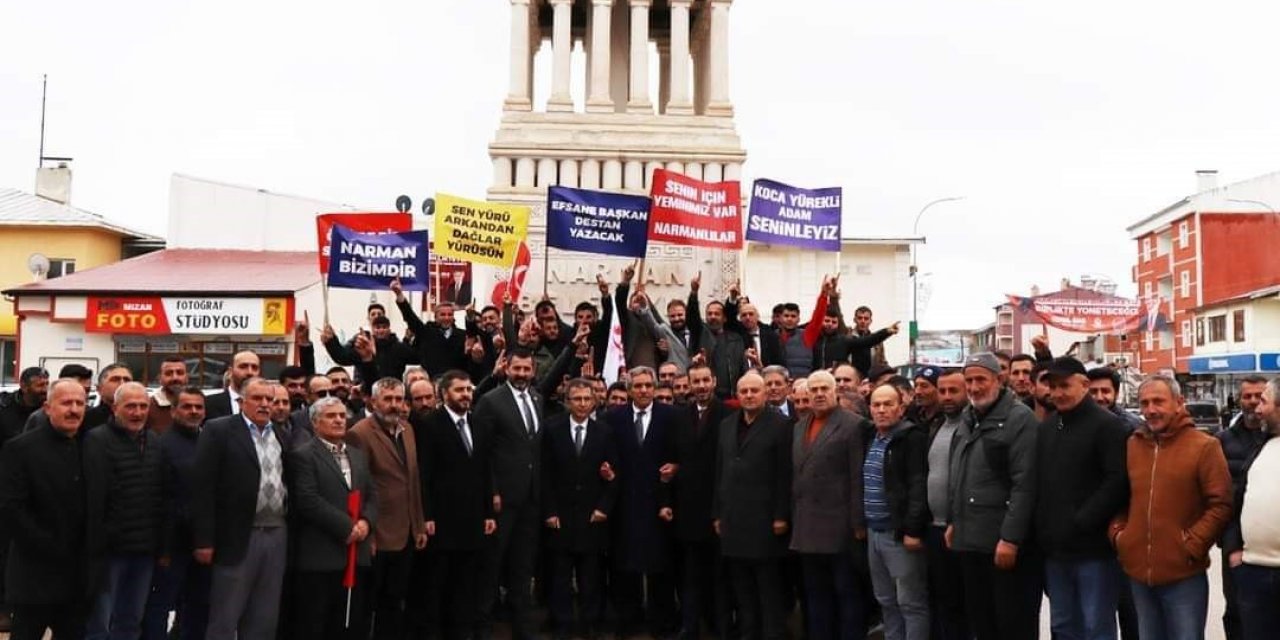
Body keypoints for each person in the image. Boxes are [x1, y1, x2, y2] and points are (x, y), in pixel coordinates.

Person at [1110, 375, 1231, 640]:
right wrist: (1120, 534)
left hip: (1183, 575)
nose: (1150, 410)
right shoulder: (1133, 445)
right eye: (1144, 403)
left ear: (1179, 403)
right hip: (1139, 574)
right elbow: (1120, 496)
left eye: (1158, 401)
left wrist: (1191, 544)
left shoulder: (1204, 446)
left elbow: (1220, 504)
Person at [946, 353, 1040, 640]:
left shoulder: (1019, 418)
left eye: (981, 380)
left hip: (1001, 542)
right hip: (969, 540)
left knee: (1012, 623)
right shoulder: (968, 417)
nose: (974, 387)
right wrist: (953, 522)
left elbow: (1025, 484)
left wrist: (1010, 538)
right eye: (969, 380)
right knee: (982, 622)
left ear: (999, 380)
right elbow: (959, 475)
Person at [1035, 358, 1130, 640]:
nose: (1058, 393)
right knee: (1062, 625)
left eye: (1065, 385)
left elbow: (1117, 481)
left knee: (1095, 626)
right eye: (1053, 387)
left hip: (1094, 551)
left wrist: (1082, 521)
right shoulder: (1048, 427)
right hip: (1056, 551)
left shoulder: (1108, 426)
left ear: (1084, 385)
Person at [193, 377, 290, 640]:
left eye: (269, 399)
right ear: (242, 401)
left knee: (264, 615)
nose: (264, 404)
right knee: (225, 616)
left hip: (276, 533)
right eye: (257, 399)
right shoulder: (219, 430)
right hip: (236, 535)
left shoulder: (281, 433)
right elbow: (202, 488)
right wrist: (203, 539)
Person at [0, 379, 91, 640]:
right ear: (48, 407)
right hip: (34, 574)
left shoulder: (90, 446)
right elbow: (11, 508)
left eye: (79, 403)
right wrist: (51, 546)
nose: (74, 409)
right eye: (66, 403)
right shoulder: (20, 449)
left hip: (77, 576)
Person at [287, 396, 377, 640]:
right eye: (331, 416)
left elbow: (371, 494)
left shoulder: (357, 455)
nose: (339, 420)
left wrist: (366, 523)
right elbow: (308, 500)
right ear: (315, 423)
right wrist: (348, 527)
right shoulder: (303, 455)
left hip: (355, 555)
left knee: (349, 623)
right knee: (315, 624)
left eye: (341, 415)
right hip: (321, 556)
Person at [471, 348, 546, 640]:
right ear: (507, 368)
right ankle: (483, 625)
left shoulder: (538, 399)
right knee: (491, 565)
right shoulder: (490, 402)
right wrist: (493, 492)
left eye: (527, 369)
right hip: (501, 499)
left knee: (523, 565)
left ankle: (522, 626)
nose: (523, 374)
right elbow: (482, 454)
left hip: (530, 498)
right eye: (517, 369)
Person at [345, 378, 427, 640]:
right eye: (388, 399)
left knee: (394, 603)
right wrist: (367, 533)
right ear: (373, 401)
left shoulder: (408, 429)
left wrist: (419, 524)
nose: (394, 405)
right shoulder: (359, 433)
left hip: (405, 533)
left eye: (398, 399)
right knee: (368, 605)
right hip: (376, 536)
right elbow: (358, 487)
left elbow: (412, 481)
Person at [416, 370, 496, 640]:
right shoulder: (430, 425)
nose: (465, 395)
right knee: (438, 585)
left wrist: (488, 512)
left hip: (473, 521)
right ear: (444, 394)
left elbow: (485, 471)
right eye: (459, 390)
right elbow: (424, 475)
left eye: (468, 390)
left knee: (466, 585)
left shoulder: (479, 424)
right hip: (441, 521)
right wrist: (427, 515)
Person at [84, 382, 167, 640]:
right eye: (131, 406)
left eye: (143, 406)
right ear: (115, 408)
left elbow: (161, 497)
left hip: (144, 551)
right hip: (109, 552)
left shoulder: (153, 441)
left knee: (131, 621)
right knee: (100, 624)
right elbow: (93, 499)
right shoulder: (96, 440)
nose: (138, 412)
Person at [790, 370, 869, 640]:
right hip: (807, 529)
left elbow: (858, 476)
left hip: (841, 529)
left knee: (847, 595)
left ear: (835, 391)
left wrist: (859, 524)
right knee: (815, 597)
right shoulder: (799, 427)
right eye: (814, 390)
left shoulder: (853, 424)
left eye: (825, 388)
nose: (819, 393)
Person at [714, 371, 793, 640]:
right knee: (742, 590)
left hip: (766, 522)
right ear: (737, 394)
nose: (749, 395)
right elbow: (719, 471)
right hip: (733, 521)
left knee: (768, 590)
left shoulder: (782, 425)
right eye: (744, 391)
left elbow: (785, 474)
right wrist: (717, 513)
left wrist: (781, 516)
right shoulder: (726, 425)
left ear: (765, 394)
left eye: (754, 391)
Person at [605, 366, 682, 638]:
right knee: (626, 566)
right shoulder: (613, 418)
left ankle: (662, 623)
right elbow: (609, 455)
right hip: (626, 502)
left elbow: (679, 453)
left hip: (660, 502)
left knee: (661, 566)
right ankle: (629, 621)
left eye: (648, 385)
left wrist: (676, 467)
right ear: (629, 389)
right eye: (637, 386)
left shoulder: (671, 416)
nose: (643, 390)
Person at [541, 378, 618, 640]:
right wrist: (549, 511)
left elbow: (613, 476)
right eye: (577, 399)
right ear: (567, 401)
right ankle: (562, 624)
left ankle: (589, 624)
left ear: (594, 401)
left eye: (587, 399)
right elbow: (545, 474)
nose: (583, 404)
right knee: (560, 577)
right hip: (560, 518)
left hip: (592, 518)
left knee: (590, 578)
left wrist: (603, 508)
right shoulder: (551, 429)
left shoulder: (605, 432)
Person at [863, 383, 929, 640]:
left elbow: (918, 485)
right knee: (886, 601)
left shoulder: (912, 438)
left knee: (910, 602)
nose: (881, 410)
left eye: (888, 404)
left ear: (901, 408)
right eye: (876, 405)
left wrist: (912, 529)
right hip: (873, 531)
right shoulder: (871, 437)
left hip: (899, 533)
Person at [144, 387, 211, 640]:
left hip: (205, 545)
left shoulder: (210, 441)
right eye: (187, 406)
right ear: (173, 411)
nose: (194, 411)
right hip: (172, 546)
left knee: (198, 607)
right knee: (160, 607)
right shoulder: (161, 445)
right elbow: (161, 499)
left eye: (199, 407)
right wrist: (163, 549)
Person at [672, 362, 731, 640]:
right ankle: (690, 627)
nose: (701, 386)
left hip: (719, 510)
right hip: (689, 510)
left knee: (720, 578)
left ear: (714, 380)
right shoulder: (680, 417)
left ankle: (722, 628)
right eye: (696, 381)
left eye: (705, 380)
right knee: (691, 575)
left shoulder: (729, 415)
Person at [1222, 377, 1280, 640]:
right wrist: (1233, 548)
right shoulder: (1262, 446)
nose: (1257, 408)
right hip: (1253, 572)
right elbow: (1238, 501)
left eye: (1264, 401)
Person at [925, 369, 969, 640]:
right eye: (942, 391)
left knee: (964, 606)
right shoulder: (937, 426)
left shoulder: (972, 426)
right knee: (943, 602)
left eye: (954, 391)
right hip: (935, 529)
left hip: (963, 529)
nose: (947, 397)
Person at [205, 351, 260, 419]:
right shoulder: (208, 404)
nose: (250, 372)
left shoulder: (267, 405)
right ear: (230, 371)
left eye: (254, 368)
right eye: (243, 367)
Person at [1085, 367, 1142, 431]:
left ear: (1116, 394)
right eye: (1093, 391)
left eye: (1105, 391)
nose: (1099, 397)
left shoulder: (1132, 425)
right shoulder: (1076, 422)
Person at [147, 357, 189, 434]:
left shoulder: (198, 405)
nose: (175, 378)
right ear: (160, 378)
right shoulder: (148, 406)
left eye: (179, 373)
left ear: (187, 377)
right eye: (169, 373)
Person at [87, 364, 135, 430]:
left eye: (127, 380)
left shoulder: (142, 417)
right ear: (100, 389)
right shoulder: (86, 419)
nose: (122, 383)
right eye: (115, 379)